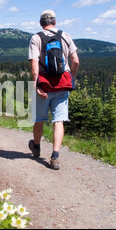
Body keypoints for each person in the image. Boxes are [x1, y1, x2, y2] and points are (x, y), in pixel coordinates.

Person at [28, 10, 80, 170]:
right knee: (59, 120)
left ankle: (36, 147)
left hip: (44, 84)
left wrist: (36, 84)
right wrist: (71, 77)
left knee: (39, 118)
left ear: (40, 23)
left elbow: (34, 65)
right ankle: (55, 156)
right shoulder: (65, 35)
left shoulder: (36, 38)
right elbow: (76, 61)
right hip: (62, 83)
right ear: (55, 22)